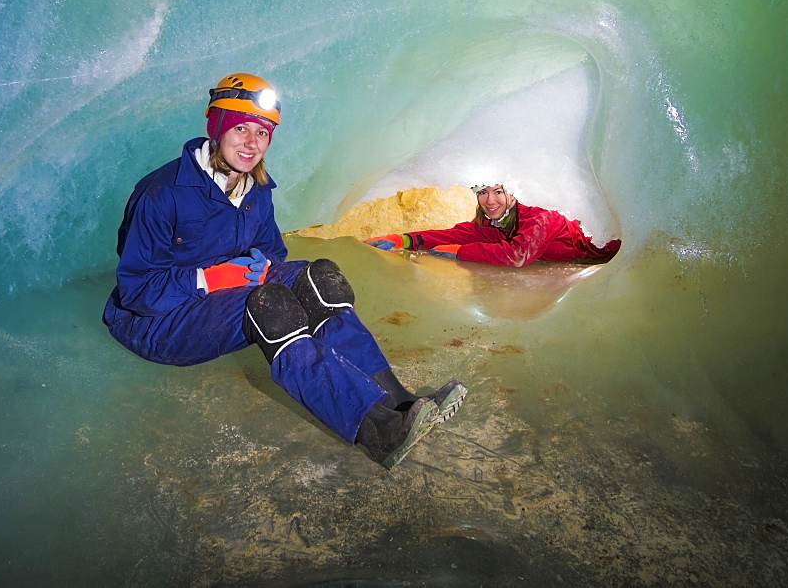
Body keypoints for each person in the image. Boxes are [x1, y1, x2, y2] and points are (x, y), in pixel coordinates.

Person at [103, 73, 466, 469]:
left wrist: (261, 262)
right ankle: (375, 430)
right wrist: (210, 278)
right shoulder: (162, 193)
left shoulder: (254, 190)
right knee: (270, 305)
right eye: (240, 128)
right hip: (156, 323)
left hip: (209, 303)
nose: (251, 142)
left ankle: (399, 403)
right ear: (217, 127)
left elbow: (274, 251)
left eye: (262, 133)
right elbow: (137, 290)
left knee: (319, 279)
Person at [365, 183, 620, 266]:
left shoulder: (542, 214)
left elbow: (518, 255)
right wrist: (405, 240)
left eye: (498, 191)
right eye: (482, 192)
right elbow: (456, 233)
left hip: (612, 251)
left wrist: (462, 253)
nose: (490, 200)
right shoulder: (492, 223)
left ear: (514, 191)